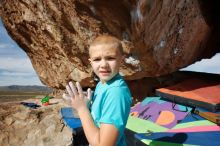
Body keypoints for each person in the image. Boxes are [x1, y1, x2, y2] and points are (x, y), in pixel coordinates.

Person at [64, 35, 132, 146]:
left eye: (110, 58)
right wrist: (88, 106)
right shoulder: (102, 84)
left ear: (121, 60)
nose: (103, 65)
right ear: (91, 62)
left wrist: (82, 109)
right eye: (97, 59)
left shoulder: (116, 93)